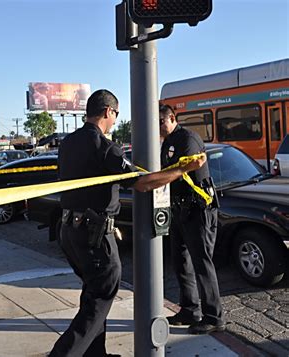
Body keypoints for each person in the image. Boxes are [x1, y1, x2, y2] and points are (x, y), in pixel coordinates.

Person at [50, 90, 207, 357]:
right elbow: (142, 183)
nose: (115, 121)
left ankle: (95, 354)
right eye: (116, 115)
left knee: (93, 293)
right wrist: (181, 170)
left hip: (68, 232)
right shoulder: (105, 146)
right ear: (108, 112)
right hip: (94, 235)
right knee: (98, 300)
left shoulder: (68, 143)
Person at [159, 104, 225, 335]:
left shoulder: (188, 139)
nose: (158, 127)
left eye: (161, 122)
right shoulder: (167, 142)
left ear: (172, 118)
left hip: (198, 211)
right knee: (181, 262)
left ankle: (214, 317)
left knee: (202, 264)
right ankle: (189, 309)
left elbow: (178, 171)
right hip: (180, 211)